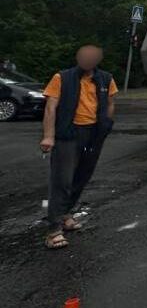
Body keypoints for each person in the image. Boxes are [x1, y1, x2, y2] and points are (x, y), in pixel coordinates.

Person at [40, 44, 118, 249]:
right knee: (62, 179)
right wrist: (48, 136)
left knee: (82, 176)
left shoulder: (106, 79)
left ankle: (66, 213)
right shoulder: (62, 78)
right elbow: (51, 107)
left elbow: (110, 103)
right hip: (68, 133)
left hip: (93, 135)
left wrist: (106, 124)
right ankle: (53, 230)